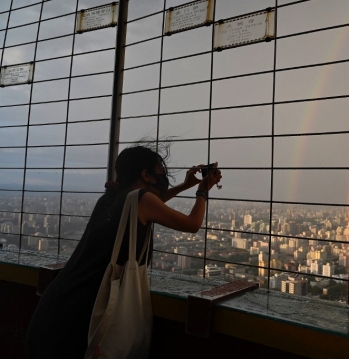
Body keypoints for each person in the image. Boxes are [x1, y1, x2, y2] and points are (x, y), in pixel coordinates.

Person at [26, 145, 222, 358]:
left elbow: (148, 205)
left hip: (57, 306)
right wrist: (203, 190)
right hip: (81, 317)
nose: (163, 176)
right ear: (145, 175)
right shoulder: (140, 200)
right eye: (160, 172)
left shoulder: (110, 198)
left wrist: (184, 186)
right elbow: (192, 224)